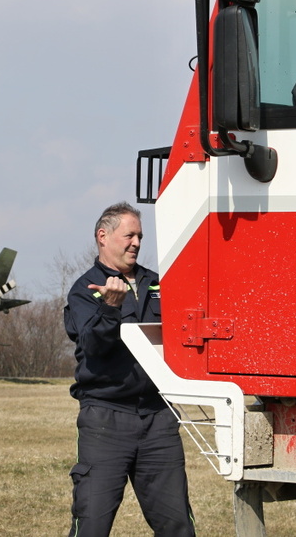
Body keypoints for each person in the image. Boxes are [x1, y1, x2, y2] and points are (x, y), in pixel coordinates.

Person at [63, 201, 194, 537]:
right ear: (103, 236)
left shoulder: (157, 283)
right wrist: (110, 307)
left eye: (140, 236)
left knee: (178, 525)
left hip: (158, 419)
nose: (136, 242)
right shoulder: (85, 289)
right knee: (91, 524)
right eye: (129, 235)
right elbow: (92, 346)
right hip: (105, 419)